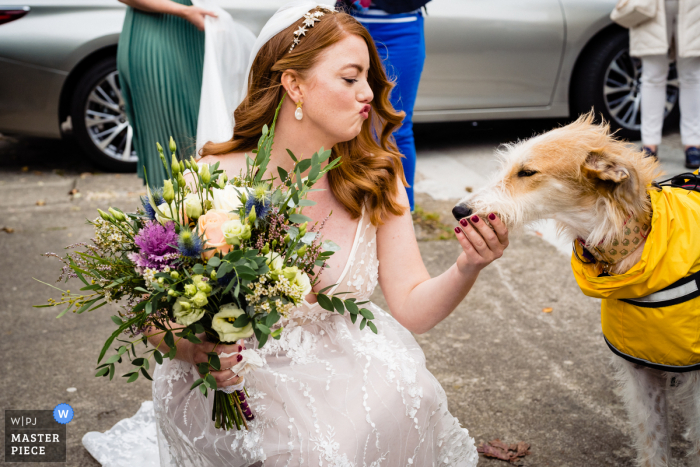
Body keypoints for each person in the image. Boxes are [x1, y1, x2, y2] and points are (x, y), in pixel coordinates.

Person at [88, 2, 509, 465]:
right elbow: (155, 320)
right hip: (239, 380)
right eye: (351, 78)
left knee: (414, 397)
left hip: (347, 368)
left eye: (368, 78)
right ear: (294, 85)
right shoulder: (209, 181)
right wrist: (199, 350)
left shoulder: (377, 176)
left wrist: (468, 265)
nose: (368, 93)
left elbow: (411, 305)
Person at [338, 0, 430, 211]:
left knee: (395, 125)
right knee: (345, 121)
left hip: (400, 29)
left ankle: (401, 214)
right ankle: (350, 207)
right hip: (348, 25)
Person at [117, 0, 216, 186]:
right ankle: (172, 210)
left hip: (197, 34)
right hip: (158, 32)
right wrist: (184, 11)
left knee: (203, 136)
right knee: (174, 140)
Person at [628, 0, 700, 168]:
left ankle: (693, 142)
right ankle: (649, 143)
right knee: (652, 77)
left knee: (692, 77)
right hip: (651, 6)